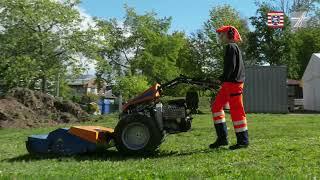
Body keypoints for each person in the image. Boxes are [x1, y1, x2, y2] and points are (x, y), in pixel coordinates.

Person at [210, 25, 249, 150]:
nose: (220, 37)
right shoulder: (231, 47)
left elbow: (230, 67)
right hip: (228, 84)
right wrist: (222, 80)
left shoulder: (231, 47)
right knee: (216, 107)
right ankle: (222, 139)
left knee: (237, 112)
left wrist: (220, 78)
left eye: (221, 34)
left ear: (228, 34)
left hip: (234, 85)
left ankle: (243, 141)